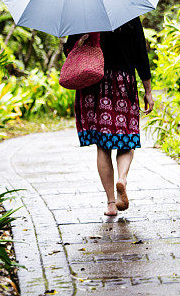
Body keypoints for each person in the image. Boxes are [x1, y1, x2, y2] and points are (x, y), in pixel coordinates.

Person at [63, 17, 154, 217]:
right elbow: (141, 54)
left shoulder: (85, 15)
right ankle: (122, 178)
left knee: (102, 145)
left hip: (93, 85)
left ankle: (111, 204)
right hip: (123, 82)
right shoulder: (129, 15)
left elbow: (70, 51)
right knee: (126, 140)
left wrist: (79, 42)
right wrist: (147, 91)